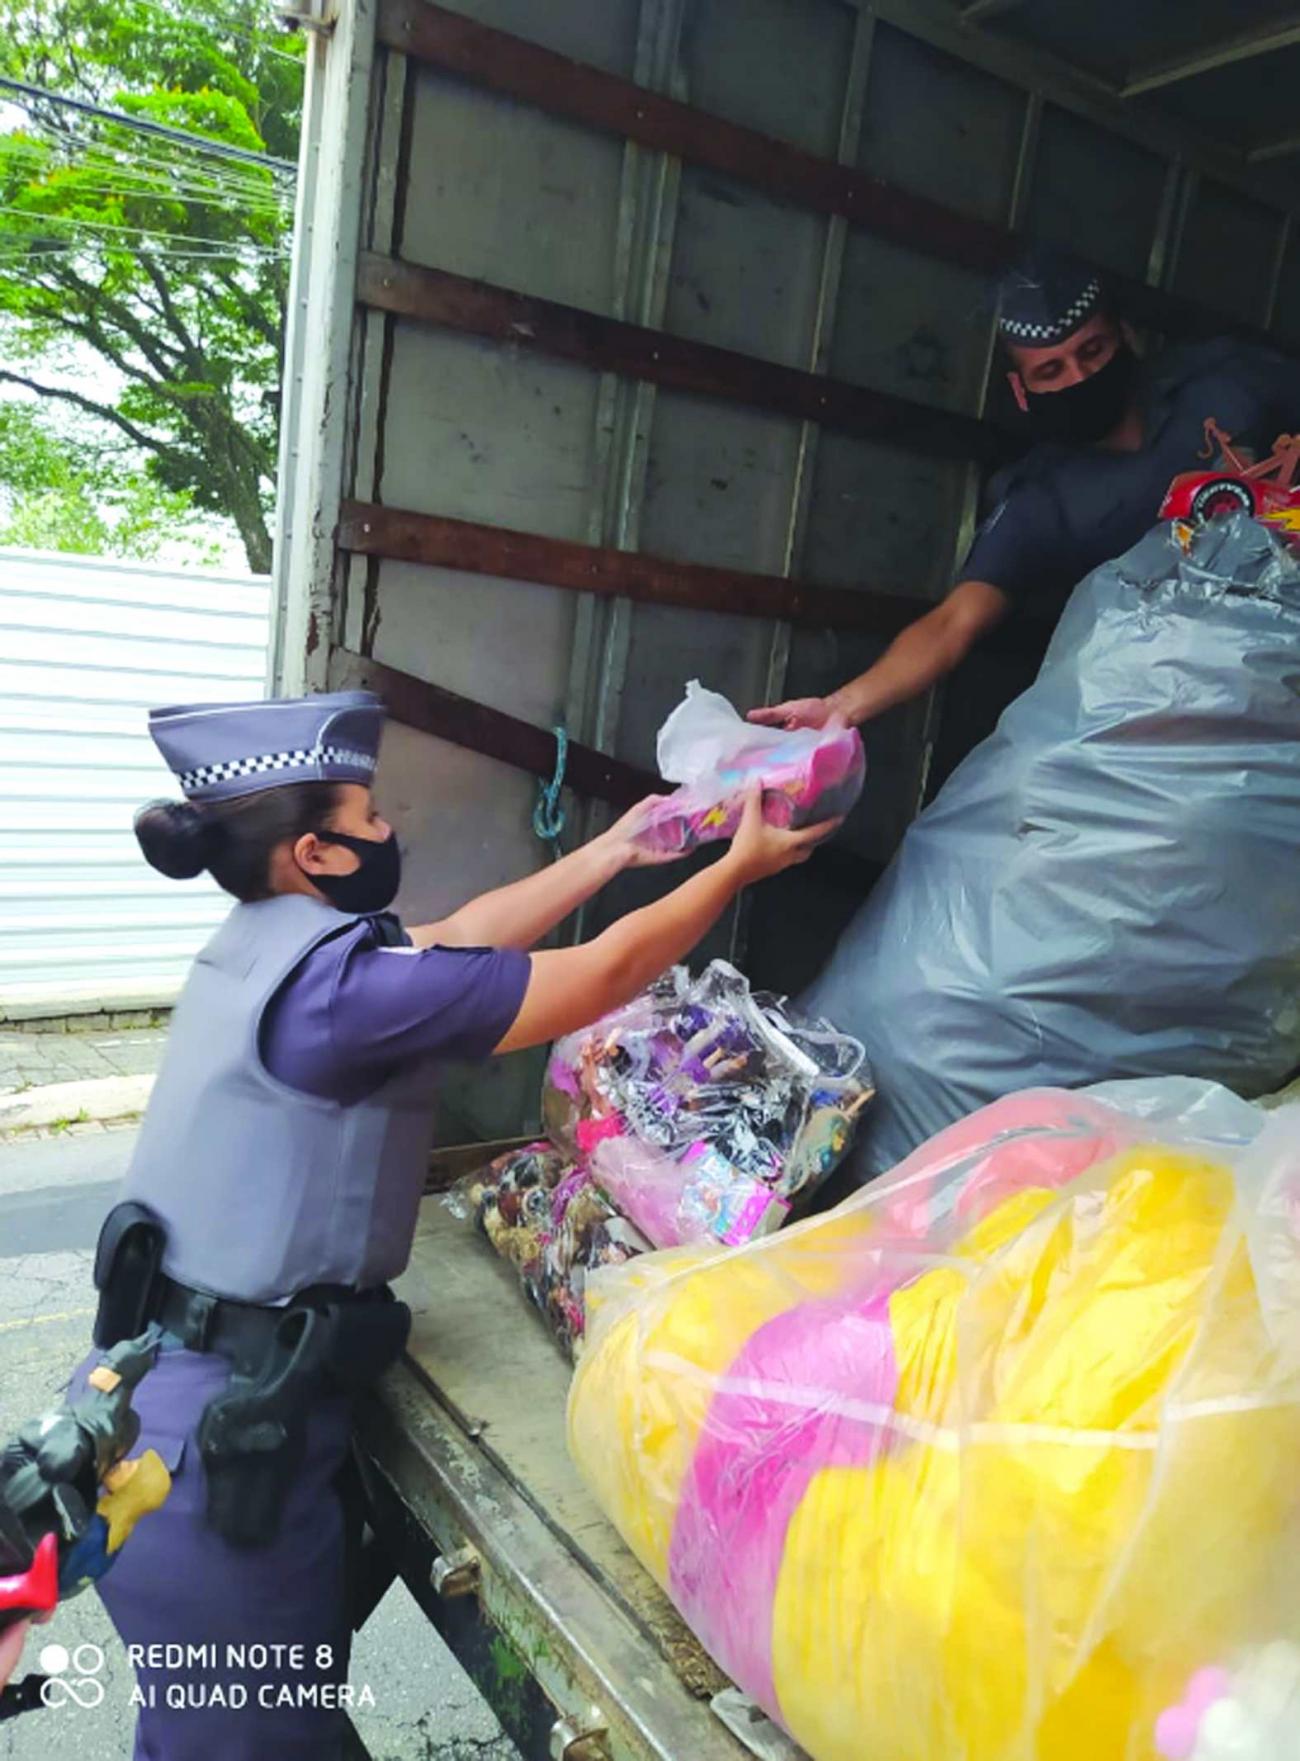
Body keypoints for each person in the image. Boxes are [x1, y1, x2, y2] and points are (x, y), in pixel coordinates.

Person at [67, 688, 836, 1761]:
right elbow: (602, 975)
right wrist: (732, 871)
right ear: (318, 854)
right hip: (211, 1465)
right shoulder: (340, 994)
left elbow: (463, 937)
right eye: (369, 815)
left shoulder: (265, 949)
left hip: (161, 1411)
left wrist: (618, 845)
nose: (389, 830)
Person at [750, 247, 1300, 733]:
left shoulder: (1225, 383)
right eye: (1050, 371)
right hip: (1208, 703)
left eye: (1093, 351)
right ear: (1022, 387)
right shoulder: (1042, 502)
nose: (1078, 379)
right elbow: (951, 624)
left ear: (1125, 338)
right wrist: (841, 706)